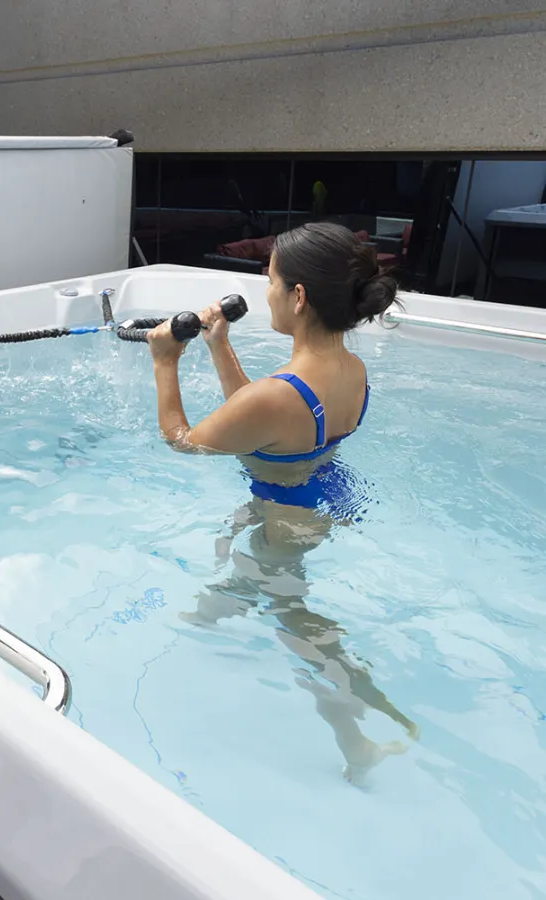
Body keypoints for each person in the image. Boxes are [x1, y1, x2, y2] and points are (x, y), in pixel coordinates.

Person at [147, 222, 418, 783]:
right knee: (251, 593)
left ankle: (359, 729)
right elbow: (266, 424)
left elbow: (183, 443)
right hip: (319, 497)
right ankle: (204, 619)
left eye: (270, 280)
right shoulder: (350, 370)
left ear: (298, 297)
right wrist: (221, 347)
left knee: (300, 625)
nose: (264, 291)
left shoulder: (279, 393)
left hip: (283, 522)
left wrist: (164, 362)